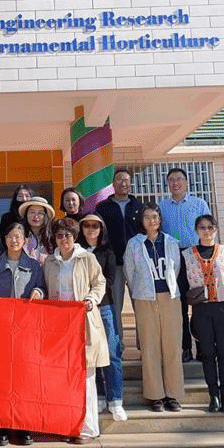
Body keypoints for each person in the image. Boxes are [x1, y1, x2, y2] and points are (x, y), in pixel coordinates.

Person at [42, 217, 108, 444]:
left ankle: (88, 428)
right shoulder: (50, 261)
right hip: (58, 327)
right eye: (59, 235)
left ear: (75, 236)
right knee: (63, 377)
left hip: (83, 323)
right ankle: (67, 425)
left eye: (68, 235)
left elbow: (99, 283)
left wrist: (91, 299)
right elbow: (45, 287)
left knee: (86, 377)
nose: (64, 240)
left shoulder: (87, 258)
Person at [0, 220, 44, 446]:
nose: (14, 240)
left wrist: (38, 291)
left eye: (18, 236)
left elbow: (42, 287)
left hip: (26, 330)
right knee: (1, 379)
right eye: (10, 236)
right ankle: (3, 426)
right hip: (0, 329)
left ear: (25, 240)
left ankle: (24, 426)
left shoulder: (34, 265)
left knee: (24, 378)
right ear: (4, 239)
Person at [124, 204, 185, 413]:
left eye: (155, 217)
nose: (152, 221)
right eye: (147, 217)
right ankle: (155, 395)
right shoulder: (134, 244)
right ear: (141, 221)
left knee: (172, 346)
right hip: (145, 299)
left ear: (160, 219)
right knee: (150, 347)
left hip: (170, 297)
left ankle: (173, 394)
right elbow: (130, 273)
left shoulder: (170, 242)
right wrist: (142, 290)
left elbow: (175, 268)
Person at [179, 214, 224, 413]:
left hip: (223, 307)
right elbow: (183, 284)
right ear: (196, 230)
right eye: (202, 227)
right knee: (208, 353)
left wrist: (220, 293)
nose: (206, 231)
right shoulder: (187, 254)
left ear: (216, 230)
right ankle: (214, 395)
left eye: (210, 227)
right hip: (201, 309)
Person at [158, 168, 211, 363]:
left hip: (196, 256)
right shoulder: (162, 206)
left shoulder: (199, 204)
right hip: (173, 258)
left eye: (179, 179)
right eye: (171, 180)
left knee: (200, 304)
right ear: (168, 184)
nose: (175, 183)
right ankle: (185, 348)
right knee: (179, 306)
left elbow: (209, 230)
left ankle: (203, 348)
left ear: (186, 182)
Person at [77, 213, 126, 422]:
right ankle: (98, 397)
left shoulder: (107, 252)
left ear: (101, 229)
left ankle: (115, 400)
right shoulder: (77, 252)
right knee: (91, 354)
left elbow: (109, 279)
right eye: (87, 225)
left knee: (112, 353)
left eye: (95, 226)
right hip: (82, 308)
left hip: (104, 306)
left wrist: (92, 294)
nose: (91, 229)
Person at [95, 168, 144, 350]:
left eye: (126, 180)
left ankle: (144, 345)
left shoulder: (139, 207)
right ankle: (118, 346)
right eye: (119, 180)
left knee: (141, 304)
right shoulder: (103, 208)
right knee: (115, 306)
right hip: (114, 264)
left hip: (137, 264)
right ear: (113, 184)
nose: (123, 183)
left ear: (130, 183)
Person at [19, 196, 54, 265]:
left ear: (45, 216)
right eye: (32, 212)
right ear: (26, 214)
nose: (36, 216)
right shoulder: (19, 236)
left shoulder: (52, 237)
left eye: (40, 213)